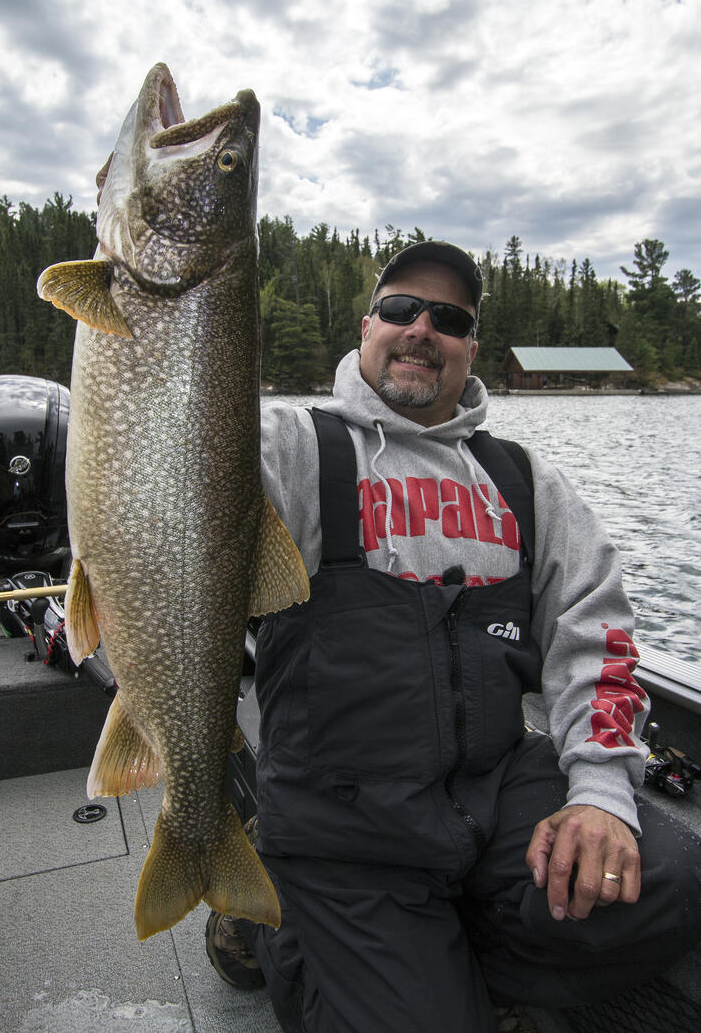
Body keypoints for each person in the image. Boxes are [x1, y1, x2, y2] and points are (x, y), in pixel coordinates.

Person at [207, 242, 701, 1032]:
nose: (421, 329)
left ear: (471, 346)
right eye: (402, 308)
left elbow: (597, 639)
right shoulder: (287, 450)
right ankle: (285, 928)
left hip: (493, 794)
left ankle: (437, 959)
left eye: (450, 318)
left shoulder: (524, 479)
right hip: (347, 822)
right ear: (367, 324)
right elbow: (169, 472)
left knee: (669, 879)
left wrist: (602, 796)